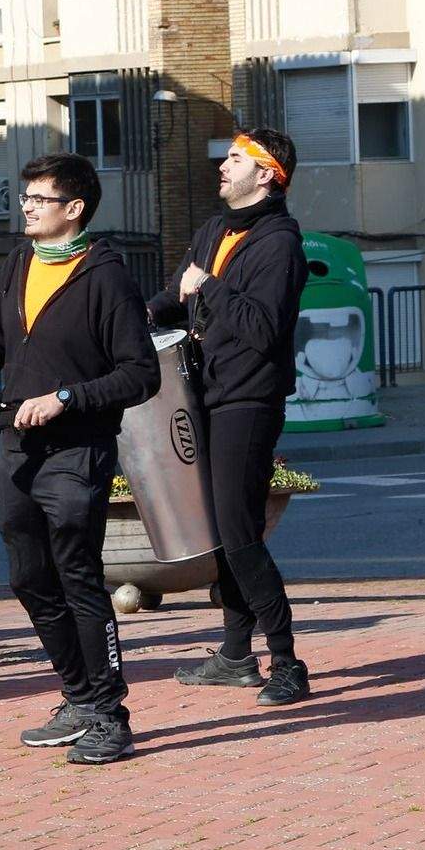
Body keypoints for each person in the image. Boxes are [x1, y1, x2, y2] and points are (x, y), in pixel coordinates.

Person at [0, 153, 157, 765]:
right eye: (26, 197)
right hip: (17, 444)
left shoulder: (106, 275)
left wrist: (66, 398)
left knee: (77, 576)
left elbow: (140, 374)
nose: (26, 208)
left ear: (74, 209)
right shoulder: (19, 260)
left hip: (77, 448)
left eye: (39, 199)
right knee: (27, 576)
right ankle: (78, 695)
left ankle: (110, 713)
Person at [149, 128, 312, 705]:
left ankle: (288, 662)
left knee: (240, 535)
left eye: (236, 159)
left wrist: (209, 287)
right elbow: (173, 297)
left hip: (248, 398)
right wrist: (127, 322)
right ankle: (236, 655)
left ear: (266, 174)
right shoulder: (215, 230)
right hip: (204, 394)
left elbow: (263, 329)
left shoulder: (279, 244)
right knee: (222, 534)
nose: (222, 166)